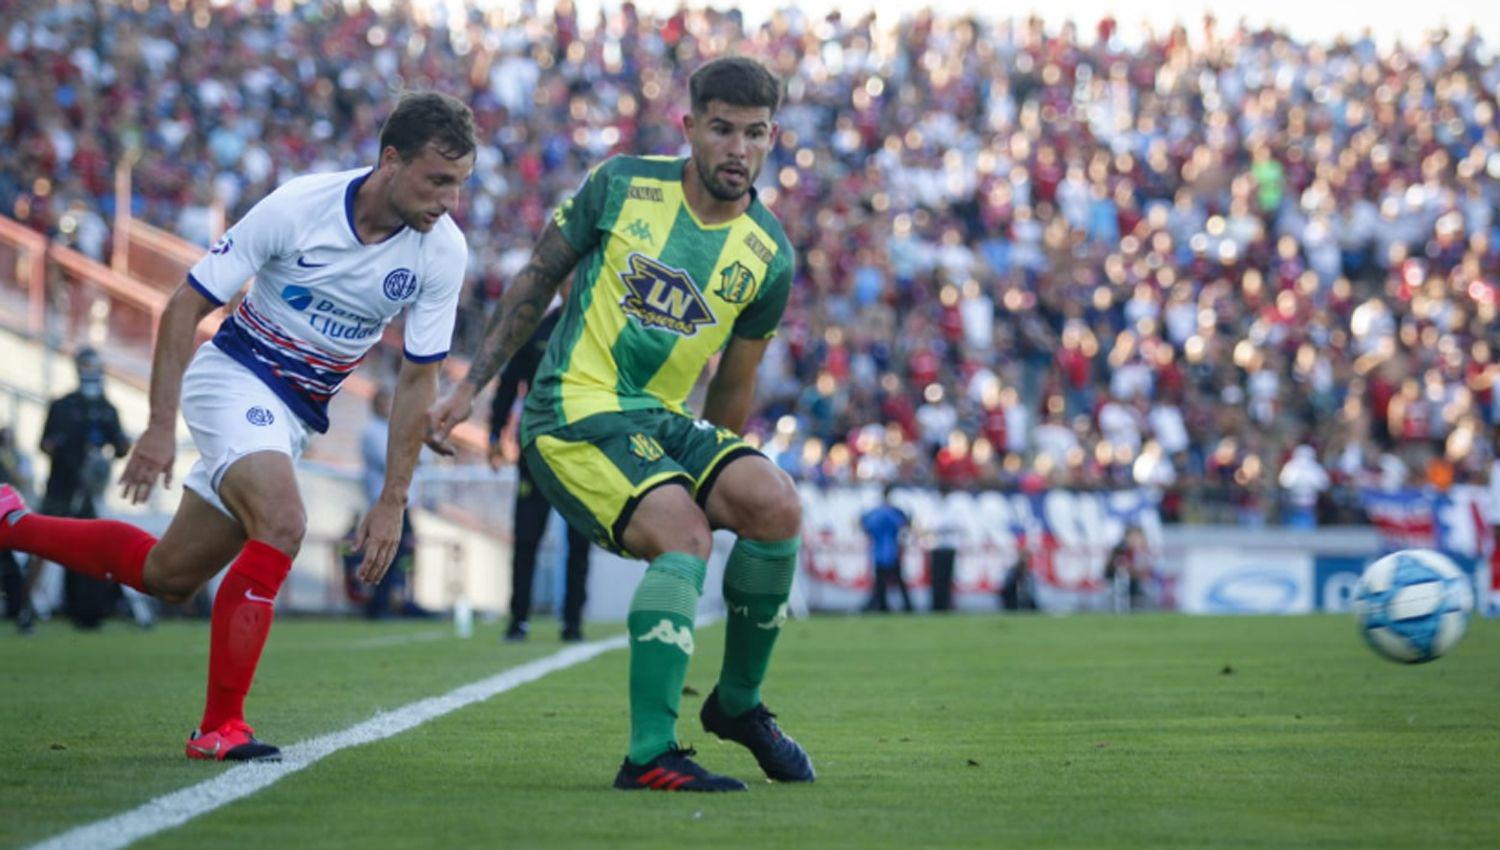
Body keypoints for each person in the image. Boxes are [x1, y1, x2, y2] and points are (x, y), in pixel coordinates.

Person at [0, 92, 476, 762]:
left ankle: (10, 524)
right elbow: (185, 303)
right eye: (437, 180)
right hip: (233, 377)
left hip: (297, 417)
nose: (449, 200)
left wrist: (394, 499)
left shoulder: (441, 252)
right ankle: (220, 728)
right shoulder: (299, 205)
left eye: (460, 183)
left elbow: (417, 381)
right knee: (283, 522)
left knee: (170, 575)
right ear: (390, 161)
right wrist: (160, 425)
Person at [427, 57, 812, 792]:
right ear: (690, 125)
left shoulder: (769, 254)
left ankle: (736, 705)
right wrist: (469, 388)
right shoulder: (622, 183)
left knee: (775, 504)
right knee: (683, 538)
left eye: (755, 134)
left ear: (772, 138)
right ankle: (649, 755)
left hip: (661, 419)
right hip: (571, 409)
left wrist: (718, 477)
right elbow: (537, 279)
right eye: (722, 129)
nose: (738, 148)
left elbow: (734, 385)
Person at [487, 306, 592, 643]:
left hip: (582, 450)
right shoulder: (535, 328)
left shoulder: (598, 323)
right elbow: (508, 384)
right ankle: (519, 620)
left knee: (579, 540)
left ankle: (573, 622)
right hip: (537, 449)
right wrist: (494, 434)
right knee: (527, 537)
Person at [40, 348, 133, 629]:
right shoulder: (63, 406)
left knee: (91, 549)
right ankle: (25, 607)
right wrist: (63, 449)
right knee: (41, 544)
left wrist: (120, 445)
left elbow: (119, 446)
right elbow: (44, 444)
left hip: (92, 491)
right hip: (61, 487)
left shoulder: (106, 408)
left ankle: (90, 609)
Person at [357, 386, 426, 619]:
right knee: (385, 552)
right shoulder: (371, 433)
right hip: (383, 504)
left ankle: (403, 600)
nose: (388, 407)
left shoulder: (394, 430)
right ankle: (379, 603)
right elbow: (393, 463)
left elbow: (419, 458)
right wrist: (409, 457)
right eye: (384, 402)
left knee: (405, 555)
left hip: (403, 504)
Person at [860, 484, 914, 613]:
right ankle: (907, 607)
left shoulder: (874, 512)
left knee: (881, 583)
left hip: (878, 552)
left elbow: (864, 524)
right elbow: (904, 524)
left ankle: (882, 606)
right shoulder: (891, 512)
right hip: (891, 551)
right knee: (898, 582)